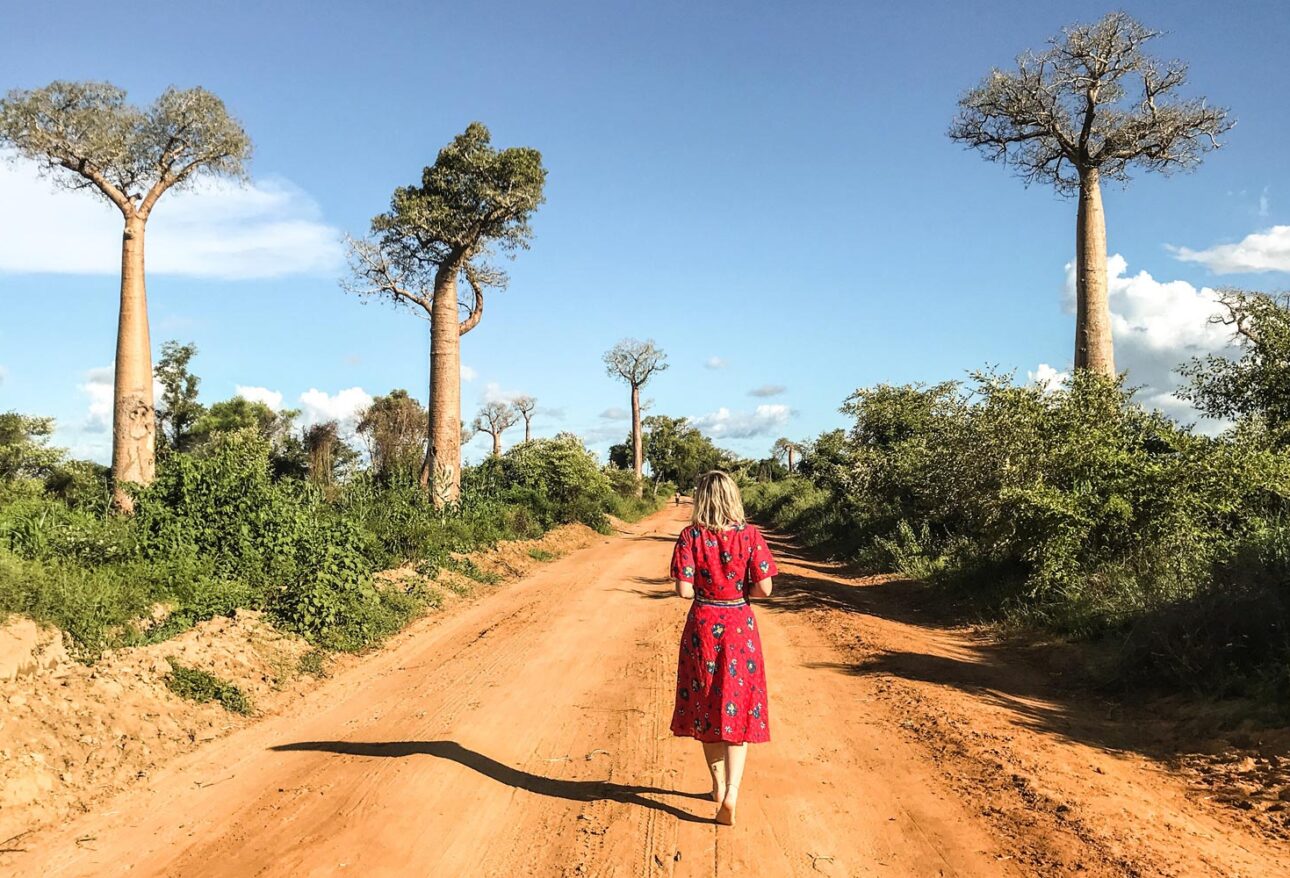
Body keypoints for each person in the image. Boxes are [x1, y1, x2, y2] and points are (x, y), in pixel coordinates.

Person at [668, 470, 777, 826]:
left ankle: (715, 786)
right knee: (737, 709)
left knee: (707, 706)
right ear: (733, 497)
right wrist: (741, 592)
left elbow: (683, 591)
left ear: (702, 499)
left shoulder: (690, 536)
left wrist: (703, 589)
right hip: (739, 626)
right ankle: (732, 791)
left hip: (703, 626)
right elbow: (765, 589)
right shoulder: (750, 536)